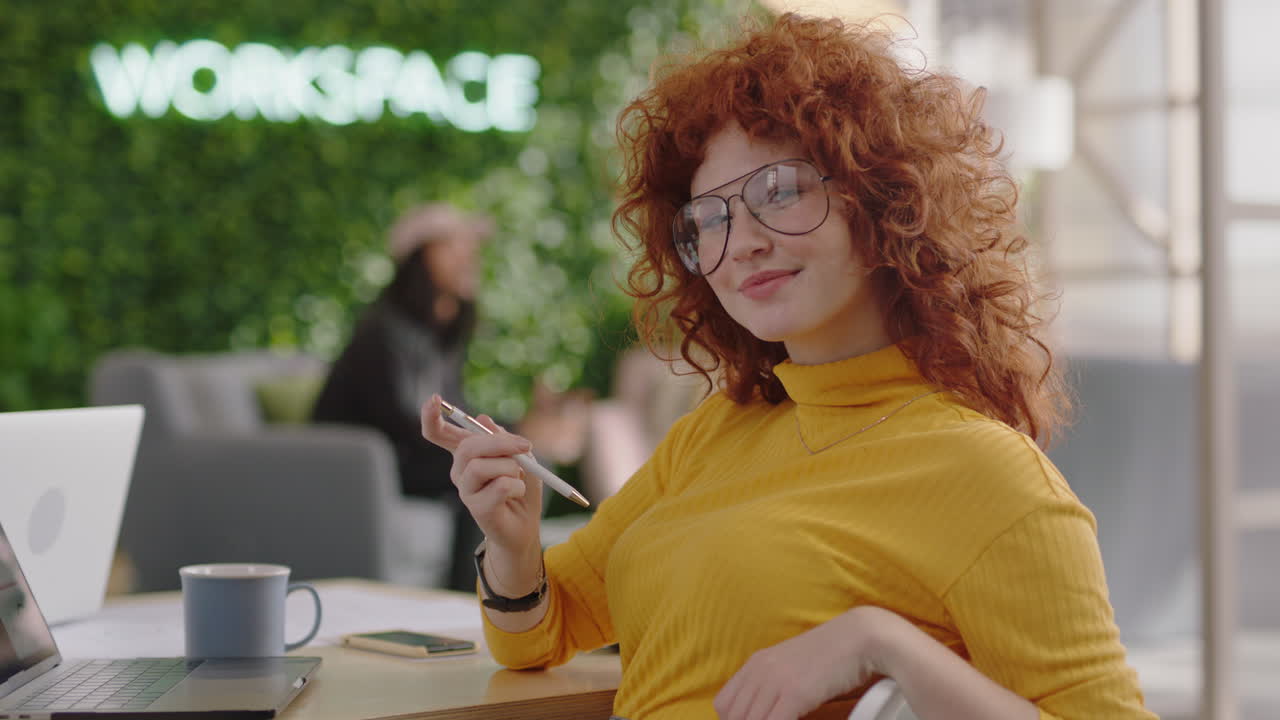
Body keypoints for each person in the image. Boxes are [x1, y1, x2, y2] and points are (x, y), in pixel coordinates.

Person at [421, 14, 1155, 720]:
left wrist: (883, 643)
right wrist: (514, 544)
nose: (740, 242)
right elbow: (543, 633)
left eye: (779, 191)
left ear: (881, 201)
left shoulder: (985, 474)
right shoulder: (716, 433)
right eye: (707, 220)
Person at [313, 203, 586, 591]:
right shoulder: (382, 334)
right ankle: (471, 594)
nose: (469, 256)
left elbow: (456, 411)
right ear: (419, 257)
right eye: (453, 245)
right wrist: (516, 430)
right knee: (479, 472)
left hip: (406, 457)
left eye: (470, 246)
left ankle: (512, 588)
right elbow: (413, 425)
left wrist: (517, 429)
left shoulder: (437, 334)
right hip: (368, 467)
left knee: (518, 462)